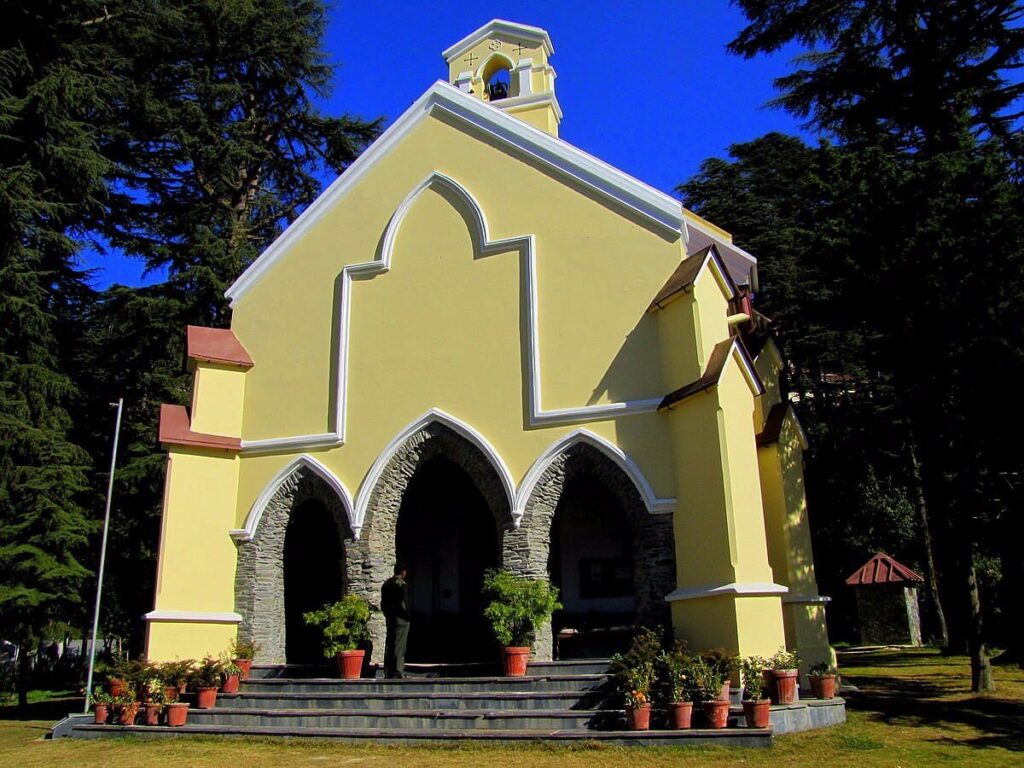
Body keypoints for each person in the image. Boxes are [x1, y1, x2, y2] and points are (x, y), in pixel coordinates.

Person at [381, 562, 410, 679]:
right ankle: (398, 670)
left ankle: (388, 670)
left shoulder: (386, 584)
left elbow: (383, 603)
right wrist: (407, 615)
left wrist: (387, 614)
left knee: (389, 642)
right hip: (400, 618)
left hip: (390, 617)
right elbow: (403, 602)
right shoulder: (401, 584)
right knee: (400, 644)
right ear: (403, 572)